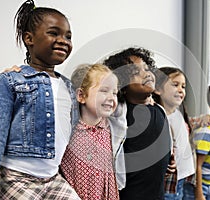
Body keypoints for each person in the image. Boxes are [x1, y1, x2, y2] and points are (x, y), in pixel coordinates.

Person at [0, 0, 80, 199]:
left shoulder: (69, 87)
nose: (63, 40)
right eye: (54, 33)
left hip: (52, 178)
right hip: (15, 177)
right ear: (29, 39)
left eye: (68, 36)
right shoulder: (11, 80)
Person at [103, 47, 171, 200]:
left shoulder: (159, 110)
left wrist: (169, 158)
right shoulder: (118, 114)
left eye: (147, 68)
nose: (145, 74)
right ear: (121, 85)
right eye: (135, 72)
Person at [60, 63, 121, 199]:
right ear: (81, 95)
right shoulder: (68, 128)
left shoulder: (111, 126)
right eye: (104, 90)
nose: (111, 97)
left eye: (115, 93)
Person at [152, 67, 195, 200]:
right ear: (158, 89)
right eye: (175, 85)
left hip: (184, 178)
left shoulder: (179, 113)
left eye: (183, 86)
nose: (181, 90)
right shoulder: (157, 117)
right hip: (169, 184)